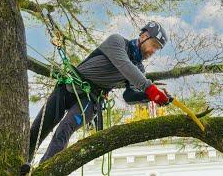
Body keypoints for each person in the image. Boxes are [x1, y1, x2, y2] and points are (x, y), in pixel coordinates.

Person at [28, 21, 170, 163]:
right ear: (144, 36)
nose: (153, 51)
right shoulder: (117, 42)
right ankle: (23, 162)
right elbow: (124, 65)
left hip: (90, 101)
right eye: (154, 45)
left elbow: (129, 96)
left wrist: (150, 96)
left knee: (64, 130)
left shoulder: (139, 69)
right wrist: (151, 89)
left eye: (157, 49)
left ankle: (45, 169)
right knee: (39, 127)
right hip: (68, 88)